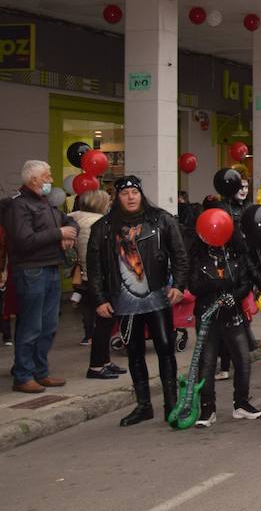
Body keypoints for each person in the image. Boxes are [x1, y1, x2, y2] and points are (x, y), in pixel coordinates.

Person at [88, 175, 189, 425]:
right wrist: (99, 299)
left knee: (166, 349)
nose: (131, 197)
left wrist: (178, 285)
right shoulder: (103, 228)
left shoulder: (161, 219)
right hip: (124, 302)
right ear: (116, 197)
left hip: (157, 298)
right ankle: (143, 405)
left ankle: (171, 405)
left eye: (134, 192)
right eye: (125, 193)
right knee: (134, 352)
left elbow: (180, 255)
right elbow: (95, 268)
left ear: (141, 194)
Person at [4, 160, 77, 393]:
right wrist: (59, 233)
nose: (51, 180)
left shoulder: (45, 203)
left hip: (51, 266)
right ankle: (24, 374)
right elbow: (23, 240)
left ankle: (39, 370)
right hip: (31, 269)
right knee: (31, 325)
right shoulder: (19, 206)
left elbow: (69, 220)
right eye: (47, 176)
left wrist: (69, 233)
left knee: (49, 324)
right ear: (33, 179)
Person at [186, 207, 261, 425]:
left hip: (233, 315)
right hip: (207, 317)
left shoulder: (237, 254)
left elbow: (246, 283)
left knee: (242, 360)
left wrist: (234, 296)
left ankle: (241, 403)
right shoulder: (198, 256)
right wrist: (216, 288)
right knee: (207, 363)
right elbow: (193, 286)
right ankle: (207, 409)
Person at [70, 189, 122, 380]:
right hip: (98, 277)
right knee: (104, 322)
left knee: (104, 323)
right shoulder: (96, 223)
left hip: (89, 276)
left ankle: (104, 361)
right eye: (107, 200)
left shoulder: (77, 220)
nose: (109, 203)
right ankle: (97, 366)